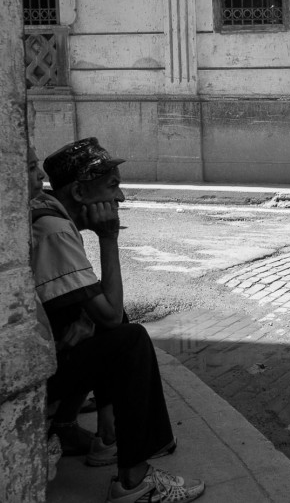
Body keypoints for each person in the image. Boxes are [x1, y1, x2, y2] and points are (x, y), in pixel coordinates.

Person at [30, 137, 204, 503]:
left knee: (114, 319)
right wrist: (109, 238)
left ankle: (106, 438)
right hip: (40, 372)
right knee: (130, 340)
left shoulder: (53, 217)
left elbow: (104, 309)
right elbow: (109, 316)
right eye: (112, 187)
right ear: (79, 191)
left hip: (50, 358)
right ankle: (133, 482)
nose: (120, 198)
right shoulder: (54, 229)